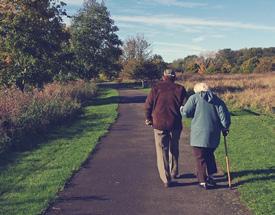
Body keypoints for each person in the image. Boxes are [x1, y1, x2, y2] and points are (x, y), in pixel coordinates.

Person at [180, 82, 231, 189]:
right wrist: (225, 128)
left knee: (200, 157)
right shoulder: (217, 99)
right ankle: (210, 176)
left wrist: (181, 109)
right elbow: (224, 117)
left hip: (198, 134)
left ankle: (203, 180)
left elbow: (186, 113)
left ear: (197, 90)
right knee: (209, 154)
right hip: (213, 134)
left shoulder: (194, 98)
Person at [144, 69, 187, 187]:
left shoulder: (155, 88)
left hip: (159, 123)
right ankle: (174, 171)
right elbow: (185, 107)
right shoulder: (180, 89)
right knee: (174, 147)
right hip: (175, 123)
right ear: (174, 77)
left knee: (161, 150)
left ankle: (166, 178)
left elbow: (148, 105)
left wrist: (148, 117)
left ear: (164, 76)